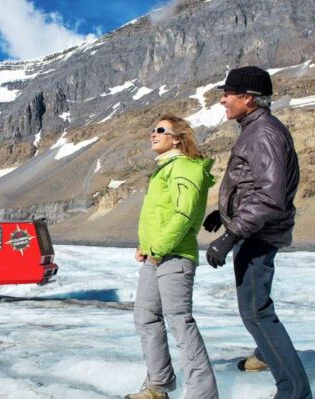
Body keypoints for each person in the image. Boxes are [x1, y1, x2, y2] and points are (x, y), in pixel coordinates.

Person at [203, 66, 312, 398]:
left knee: (256, 311)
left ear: (248, 98)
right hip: (253, 230)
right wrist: (223, 212)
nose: (223, 99)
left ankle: (294, 391)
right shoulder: (254, 129)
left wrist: (230, 234)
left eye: (229, 94)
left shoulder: (263, 134)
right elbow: (253, 186)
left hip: (258, 235)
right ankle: (266, 355)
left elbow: (269, 195)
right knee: (256, 307)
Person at [126, 115, 218, 399]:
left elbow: (184, 214)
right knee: (145, 317)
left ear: (177, 138)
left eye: (161, 130)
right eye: (152, 129)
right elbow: (160, 214)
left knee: (179, 320)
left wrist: (159, 247)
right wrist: (147, 245)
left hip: (175, 256)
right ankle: (159, 385)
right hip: (156, 256)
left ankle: (203, 394)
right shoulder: (165, 168)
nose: (153, 134)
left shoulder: (185, 167)